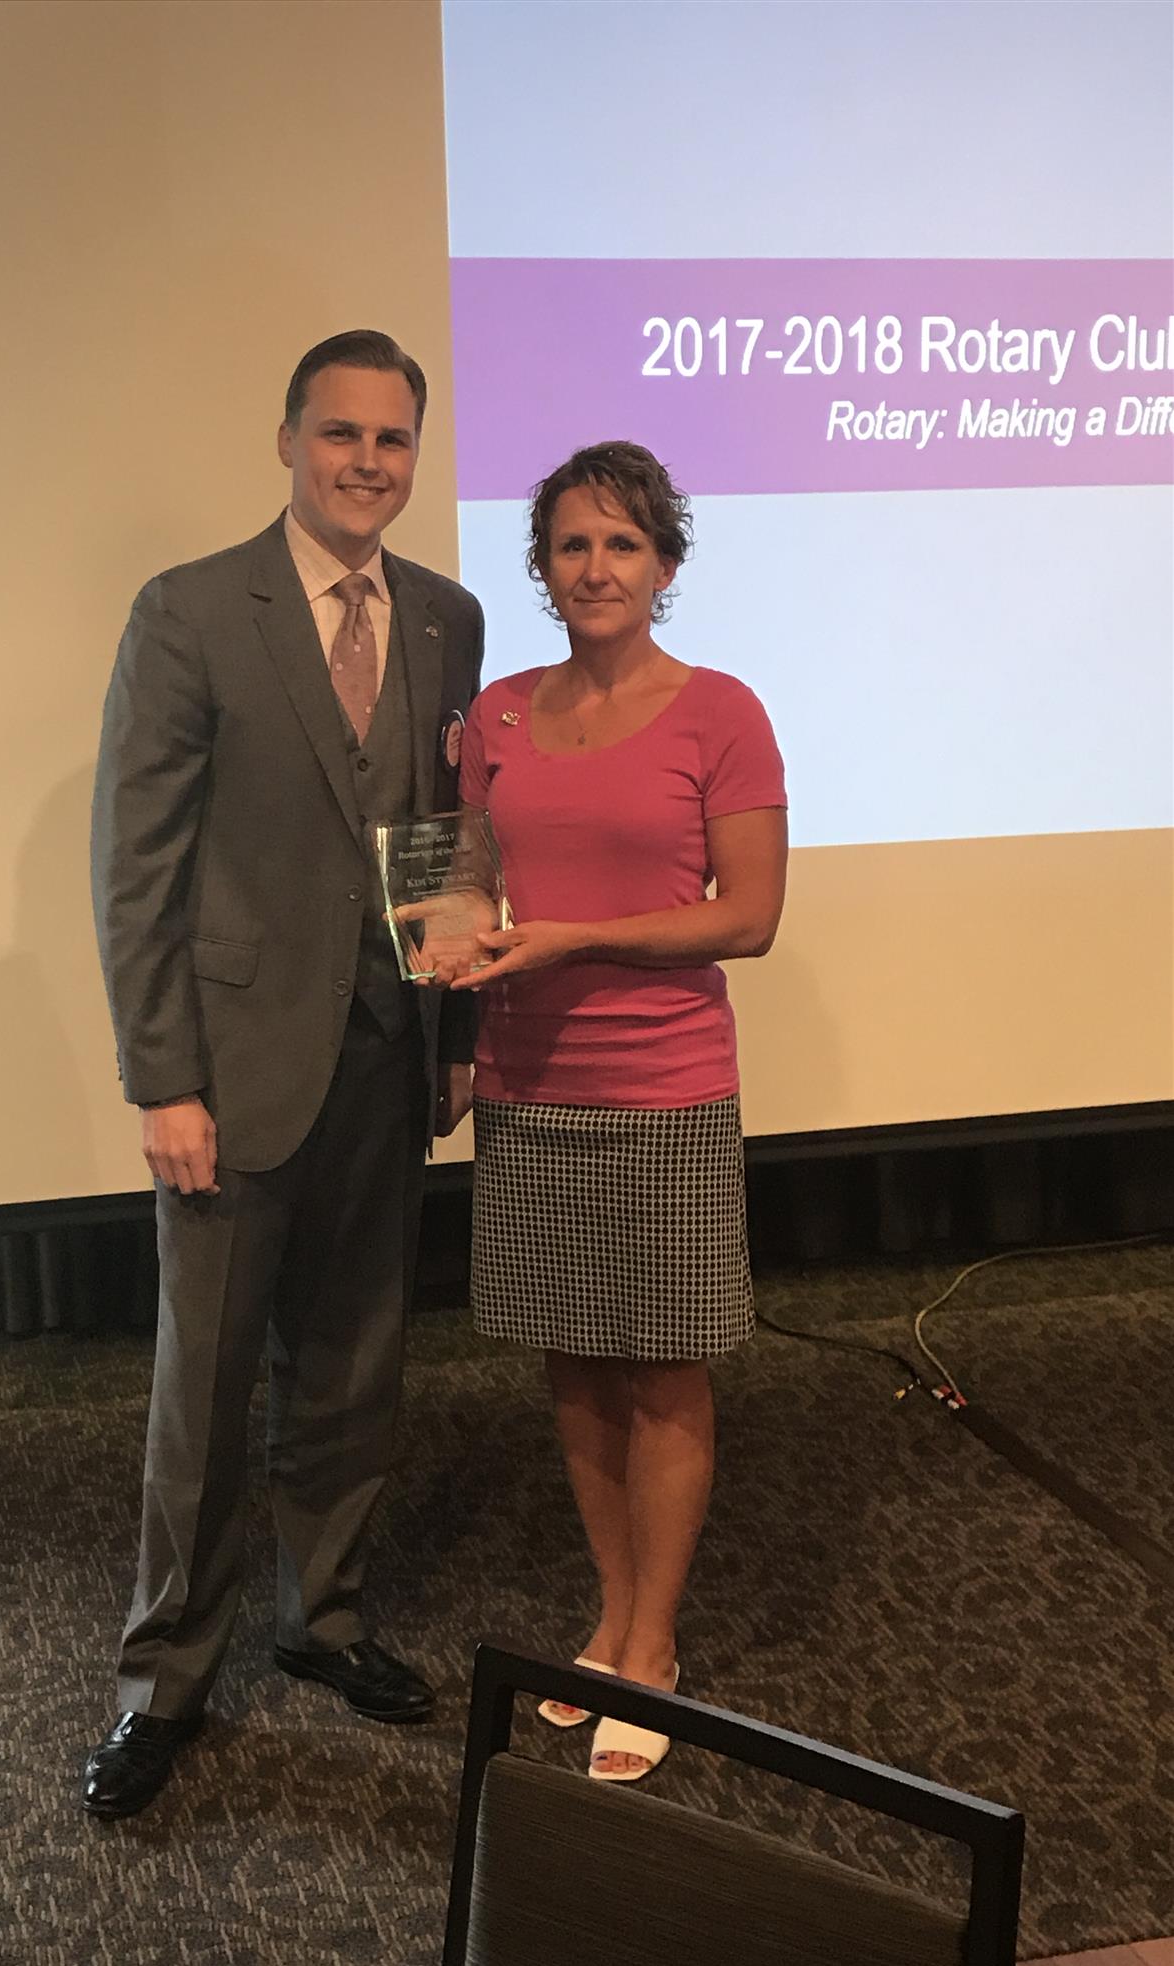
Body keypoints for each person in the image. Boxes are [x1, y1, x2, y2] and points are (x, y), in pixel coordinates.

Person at [84, 330, 483, 1819]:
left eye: (391, 439)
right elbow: (138, 866)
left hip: (387, 1058)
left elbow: (443, 843)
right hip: (232, 1073)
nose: (366, 462)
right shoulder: (190, 609)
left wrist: (455, 1040)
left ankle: (322, 1618)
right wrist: (162, 1080)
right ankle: (163, 1681)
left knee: (354, 1363)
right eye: (339, 434)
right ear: (287, 440)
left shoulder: (444, 616)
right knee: (202, 1392)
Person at [454, 441, 786, 1783]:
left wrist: (572, 939)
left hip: (664, 1091)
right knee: (575, 1364)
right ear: (542, 568)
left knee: (662, 1369)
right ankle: (610, 1613)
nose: (596, 567)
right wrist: (454, 954)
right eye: (572, 545)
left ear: (664, 564)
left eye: (623, 544)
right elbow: (468, 889)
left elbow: (747, 917)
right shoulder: (495, 717)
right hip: (527, 1085)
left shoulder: (721, 712)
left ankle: (651, 1652)